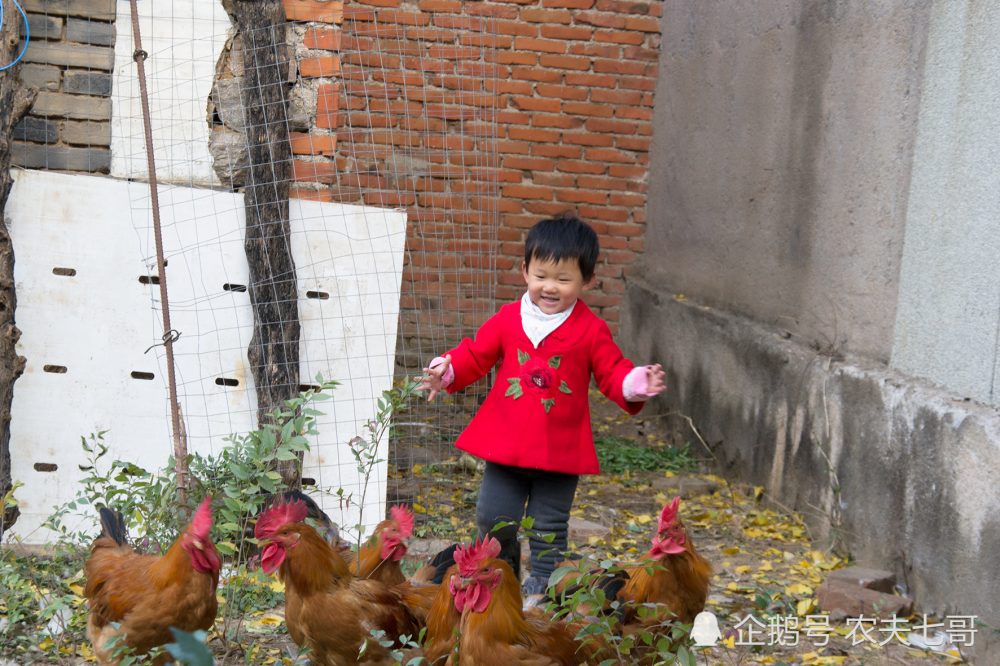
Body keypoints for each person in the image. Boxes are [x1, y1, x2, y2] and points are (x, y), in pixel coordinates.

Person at [417, 214, 665, 596]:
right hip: (505, 446)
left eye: (564, 280)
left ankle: (549, 593)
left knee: (549, 527)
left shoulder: (591, 330)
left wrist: (635, 383)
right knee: (493, 518)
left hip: (559, 453)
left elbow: (612, 371)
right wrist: (446, 371)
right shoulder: (508, 319)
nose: (550, 287)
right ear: (525, 272)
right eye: (541, 275)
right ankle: (504, 573)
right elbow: (476, 355)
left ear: (587, 281)